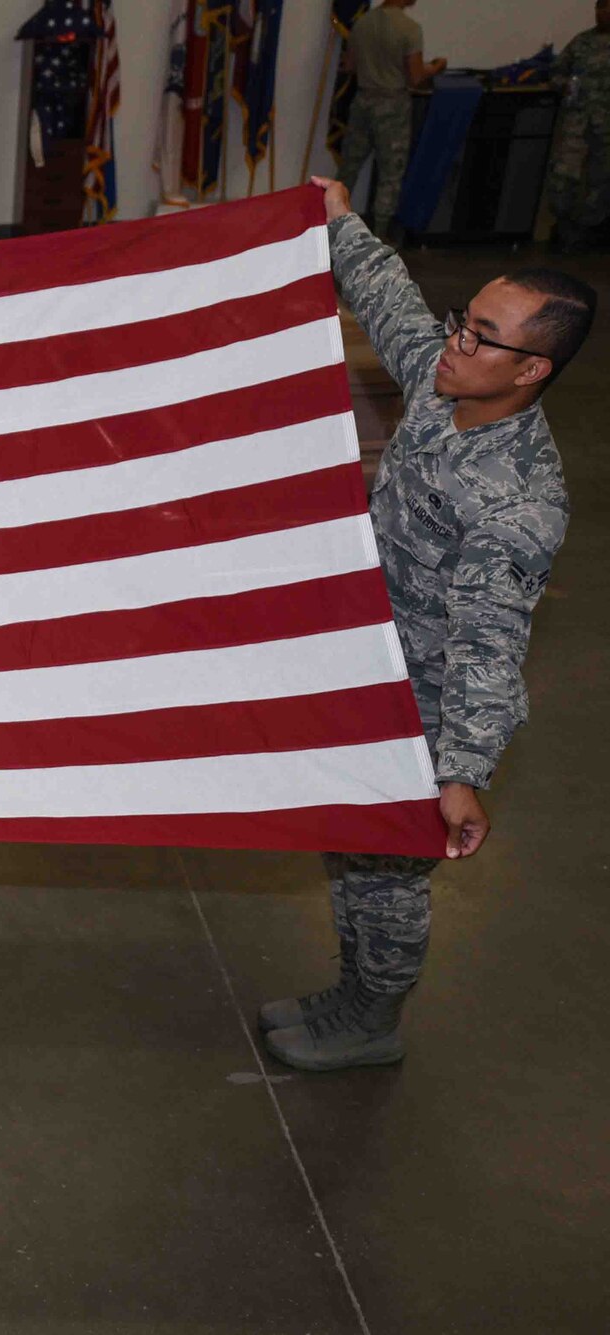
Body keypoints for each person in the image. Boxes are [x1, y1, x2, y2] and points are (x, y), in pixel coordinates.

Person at [261, 178, 591, 1072]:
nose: (455, 342)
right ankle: (350, 995)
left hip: (424, 708)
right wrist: (337, 218)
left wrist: (461, 772)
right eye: (463, 319)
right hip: (369, 662)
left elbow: (491, 641)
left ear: (532, 371)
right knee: (350, 852)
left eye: (483, 338)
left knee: (386, 875)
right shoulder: (449, 380)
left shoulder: (518, 501)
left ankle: (372, 1020)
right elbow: (388, 296)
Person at [336, 0, 445, 240]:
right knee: (390, 174)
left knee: (348, 170)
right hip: (392, 105)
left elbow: (350, 65)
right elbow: (416, 77)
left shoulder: (362, 23)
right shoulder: (409, 28)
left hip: (362, 101)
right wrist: (436, 67)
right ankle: (381, 234)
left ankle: (332, 228)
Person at [551, 0, 610, 251]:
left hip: (607, 128)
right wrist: (564, 85)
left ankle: (592, 231)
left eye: (607, 7)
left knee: (602, 181)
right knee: (564, 175)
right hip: (578, 123)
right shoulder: (581, 42)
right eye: (599, 7)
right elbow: (556, 73)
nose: (602, 12)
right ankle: (565, 229)